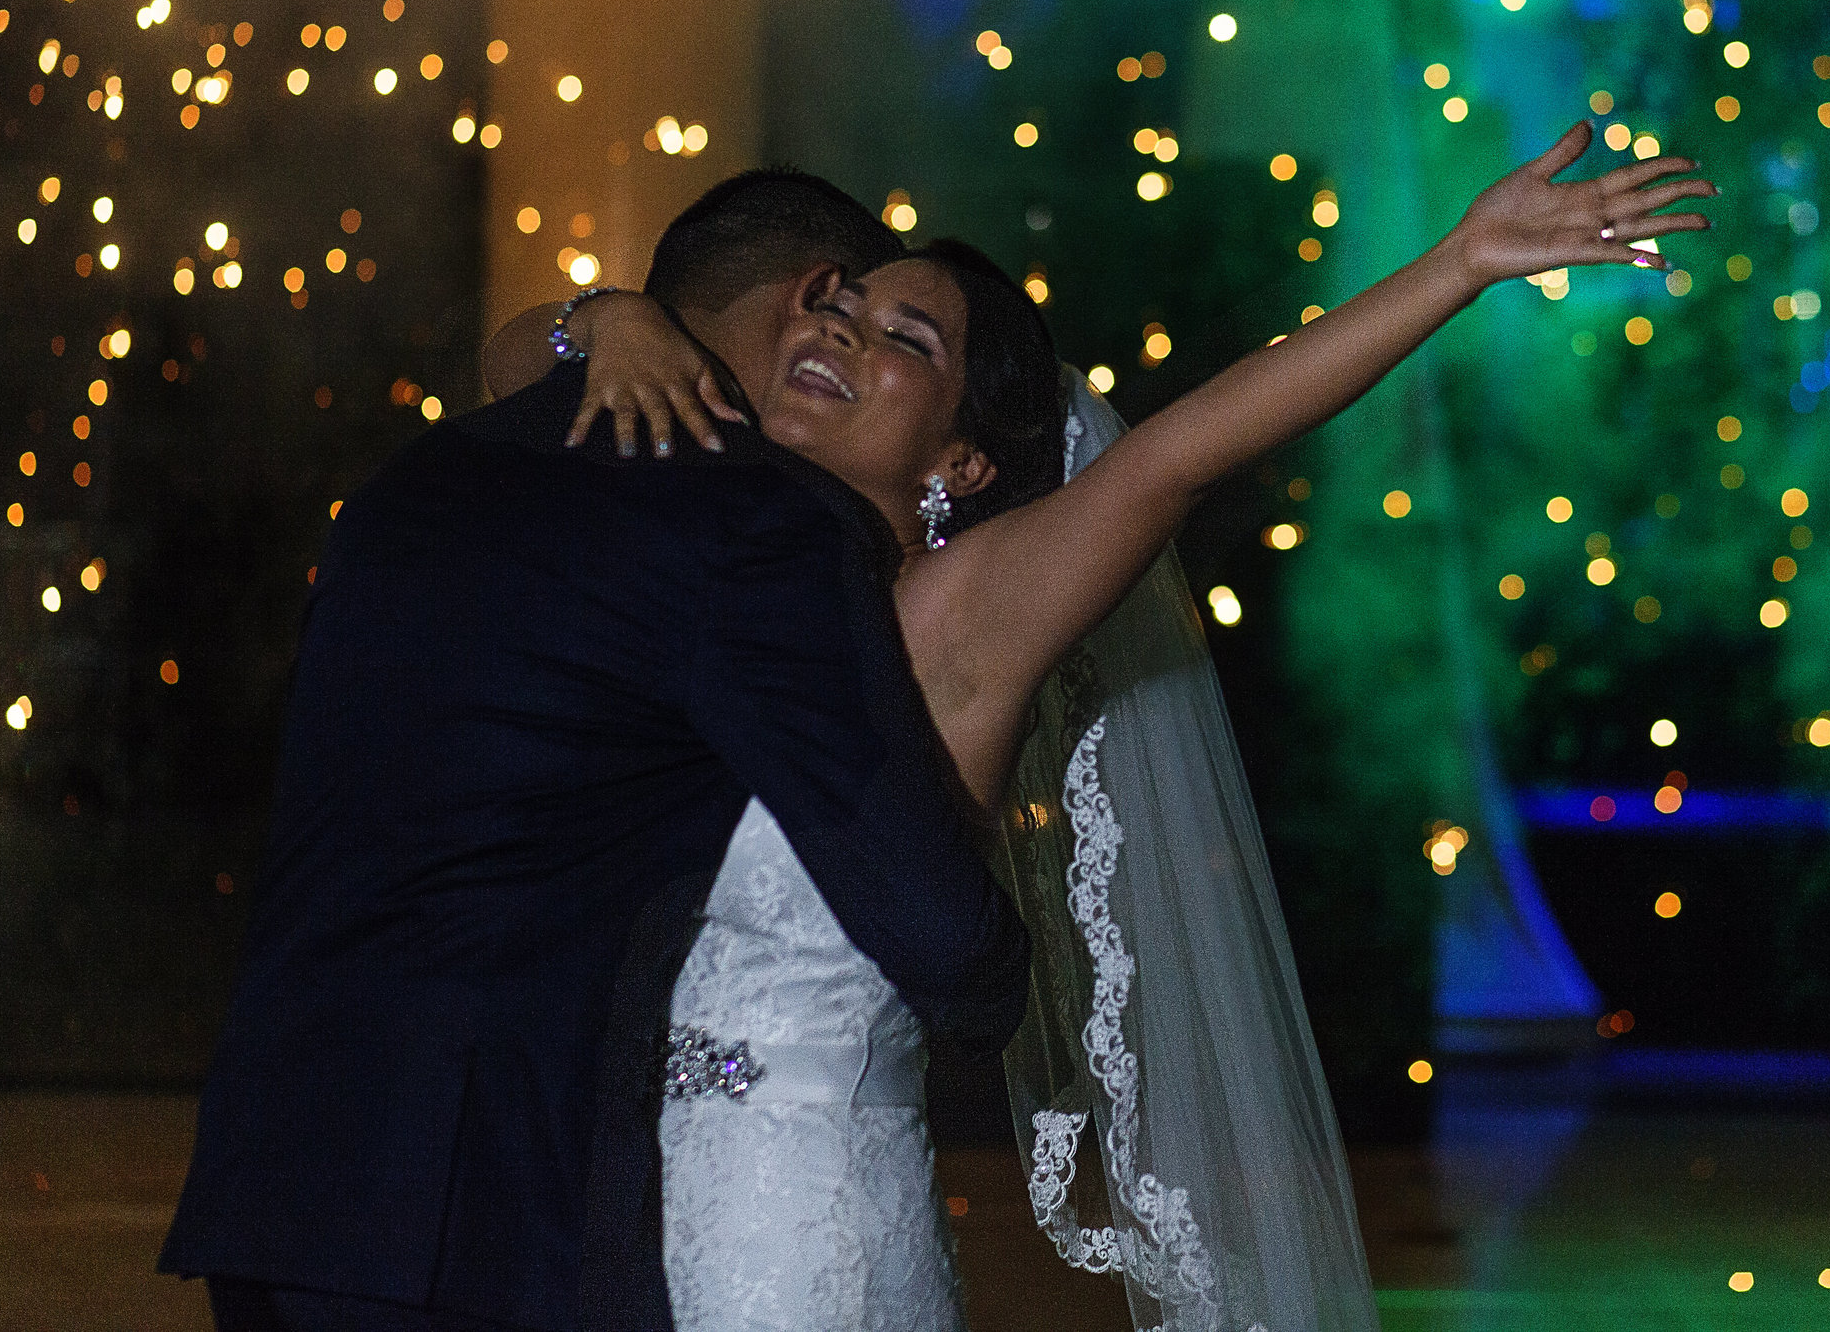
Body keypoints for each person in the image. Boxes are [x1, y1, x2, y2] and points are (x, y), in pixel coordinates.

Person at [487, 119, 1713, 1330]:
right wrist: (608, 320)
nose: (840, 332)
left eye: (902, 336)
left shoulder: (955, 617)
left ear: (961, 465)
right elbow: (505, 381)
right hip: (602, 1202)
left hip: (790, 1224)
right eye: (839, 309)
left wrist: (1461, 261)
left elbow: (1174, 459)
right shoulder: (702, 546)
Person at [157, 171, 1032, 1332]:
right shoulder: (758, 521)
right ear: (815, 293)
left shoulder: (418, 476)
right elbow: (930, 926)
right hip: (486, 1215)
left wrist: (591, 317)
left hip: (274, 1171)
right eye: (848, 308)